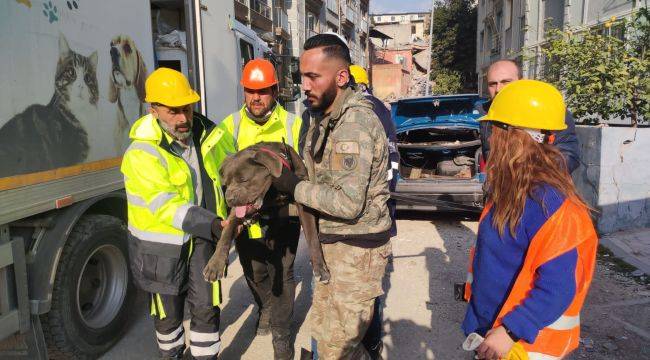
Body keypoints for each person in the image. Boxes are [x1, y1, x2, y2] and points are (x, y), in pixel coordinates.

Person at [272, 33, 392, 360]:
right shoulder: (323, 117)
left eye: (313, 77)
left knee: (337, 349)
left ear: (341, 77)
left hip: (355, 253)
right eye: (302, 77)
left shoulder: (354, 123)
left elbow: (347, 203)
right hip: (333, 247)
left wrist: (292, 187)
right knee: (326, 340)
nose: (305, 86)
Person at [461, 79, 598, 360]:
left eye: (495, 127)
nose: (489, 136)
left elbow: (557, 287)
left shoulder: (550, 204)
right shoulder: (510, 190)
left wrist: (509, 332)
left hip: (524, 347)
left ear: (516, 135)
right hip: (493, 334)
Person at [121, 68, 228, 359]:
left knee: (206, 310)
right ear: (153, 110)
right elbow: (164, 204)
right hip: (162, 250)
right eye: (173, 111)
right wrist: (215, 224)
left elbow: (229, 172)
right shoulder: (142, 153)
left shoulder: (208, 135)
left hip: (203, 242)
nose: (183, 118)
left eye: (187, 108)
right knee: (168, 320)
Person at [216, 58, 303, 360]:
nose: (256, 98)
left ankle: (282, 337)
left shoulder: (294, 124)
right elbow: (221, 176)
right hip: (246, 217)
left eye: (263, 91)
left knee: (285, 274)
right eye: (251, 91)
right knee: (254, 271)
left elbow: (304, 172)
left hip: (284, 215)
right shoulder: (230, 126)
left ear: (276, 91)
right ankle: (265, 306)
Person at [349, 63, 398, 359]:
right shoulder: (382, 110)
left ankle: (369, 344)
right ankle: (373, 344)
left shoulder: (366, 112)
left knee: (366, 288)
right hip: (380, 217)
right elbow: (394, 167)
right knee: (371, 287)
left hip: (366, 221)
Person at [477, 59, 580, 172]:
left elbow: (568, 155)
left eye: (506, 82)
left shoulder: (546, 108)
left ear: (521, 82)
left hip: (540, 185)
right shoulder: (487, 113)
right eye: (492, 84)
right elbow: (489, 153)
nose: (498, 89)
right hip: (502, 187)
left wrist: (532, 175)